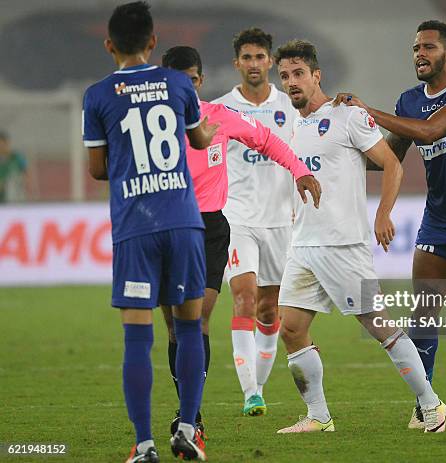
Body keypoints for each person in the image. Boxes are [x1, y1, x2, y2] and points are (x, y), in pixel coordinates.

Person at [335, 20, 446, 431]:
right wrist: (335, 151)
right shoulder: (409, 101)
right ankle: (427, 404)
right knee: (424, 311)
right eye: (416, 47)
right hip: (439, 222)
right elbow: (387, 158)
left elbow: (433, 130)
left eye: (428, 47)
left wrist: (368, 111)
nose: (419, 54)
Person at [273, 39, 446, 434]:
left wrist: (383, 213)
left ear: (316, 75)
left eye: (299, 73)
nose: (291, 82)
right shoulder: (292, 123)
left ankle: (431, 405)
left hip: (343, 246)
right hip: (303, 246)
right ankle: (318, 416)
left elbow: (392, 165)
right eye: (284, 76)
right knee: (291, 329)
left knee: (378, 324)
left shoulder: (347, 115)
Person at [159, 45, 321, 432]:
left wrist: (300, 170)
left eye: (191, 80)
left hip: (210, 227)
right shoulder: (149, 127)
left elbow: (267, 140)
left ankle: (190, 417)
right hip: (164, 228)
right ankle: (190, 410)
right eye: (176, 81)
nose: (185, 87)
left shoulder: (220, 116)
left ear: (199, 81)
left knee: (196, 322)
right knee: (172, 329)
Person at [82, 2, 217, 461]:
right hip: (183, 220)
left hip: (135, 227)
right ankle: (187, 427)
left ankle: (144, 446)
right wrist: (209, 128)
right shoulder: (178, 82)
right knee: (189, 326)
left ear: (108, 45)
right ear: (153, 43)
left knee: (137, 336)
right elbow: (199, 140)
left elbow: (98, 169)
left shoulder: (97, 95)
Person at [211, 28, 302, 416]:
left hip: (281, 220)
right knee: (244, 299)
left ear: (269, 61)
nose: (253, 64)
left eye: (259, 57)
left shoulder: (291, 107)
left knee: (269, 311)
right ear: (237, 63)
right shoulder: (219, 108)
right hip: (237, 218)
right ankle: (250, 391)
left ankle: (258, 386)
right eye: (246, 58)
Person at [0, 131, 28, 203]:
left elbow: (25, 172)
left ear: (7, 143)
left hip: (14, 193)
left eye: (2, 143)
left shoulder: (16, 157)